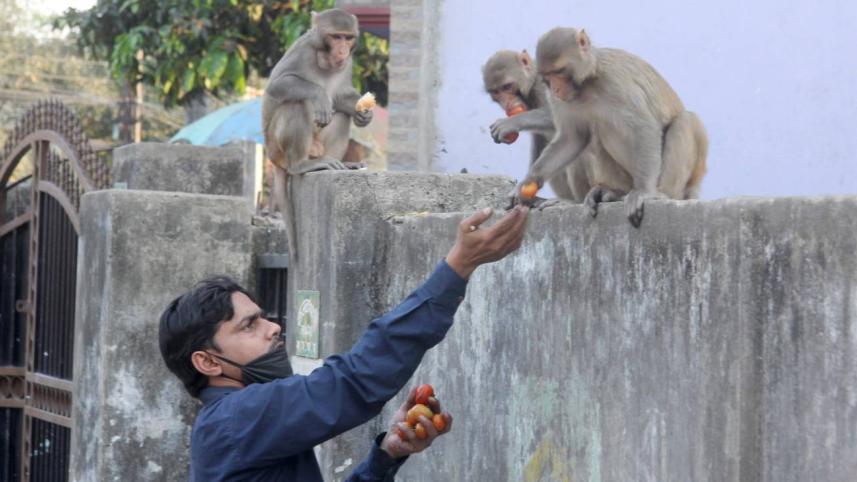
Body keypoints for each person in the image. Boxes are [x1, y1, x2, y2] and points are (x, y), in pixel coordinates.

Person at [158, 206, 529, 481]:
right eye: (249, 326)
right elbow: (354, 381)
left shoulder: (244, 424)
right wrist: (458, 266)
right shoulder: (236, 419)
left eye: (263, 317)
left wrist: (386, 456)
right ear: (207, 363)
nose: (272, 328)